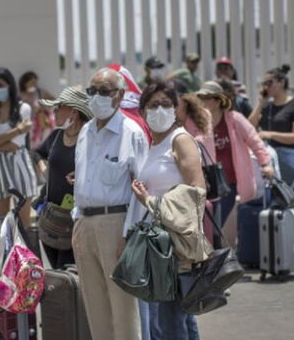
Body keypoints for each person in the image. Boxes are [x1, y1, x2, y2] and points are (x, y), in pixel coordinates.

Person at [71, 68, 147, 340]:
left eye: (105, 91)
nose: (97, 97)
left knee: (123, 306)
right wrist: (76, 218)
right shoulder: (85, 131)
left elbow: (141, 190)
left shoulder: (131, 133)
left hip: (117, 225)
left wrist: (129, 235)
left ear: (120, 95)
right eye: (92, 91)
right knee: (94, 303)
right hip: (85, 224)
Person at [127, 81, 205, 340]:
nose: (159, 110)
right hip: (157, 245)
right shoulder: (153, 145)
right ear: (143, 110)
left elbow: (197, 191)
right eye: (153, 105)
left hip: (175, 244)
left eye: (166, 104)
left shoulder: (180, 140)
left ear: (176, 109)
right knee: (177, 317)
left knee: (171, 321)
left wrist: (149, 200)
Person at [197, 81, 273, 247]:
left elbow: (255, 141)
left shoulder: (234, 120)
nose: (202, 101)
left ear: (218, 101)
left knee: (216, 225)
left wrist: (265, 163)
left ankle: (216, 264)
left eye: (207, 97)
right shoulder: (198, 122)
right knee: (204, 225)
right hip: (205, 183)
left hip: (227, 184)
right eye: (200, 97)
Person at [35, 87, 92, 269]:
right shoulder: (57, 135)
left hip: (77, 220)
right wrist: (46, 171)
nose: (55, 111)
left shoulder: (90, 138)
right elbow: (37, 154)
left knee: (69, 272)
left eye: (59, 107)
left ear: (73, 112)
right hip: (52, 220)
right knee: (57, 271)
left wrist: (84, 176)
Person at [0, 67, 37, 229]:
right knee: (0, 223)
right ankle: (4, 254)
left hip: (19, 163)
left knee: (24, 223)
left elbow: (15, 145)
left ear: (10, 85)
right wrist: (18, 130)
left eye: (0, 85)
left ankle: (26, 253)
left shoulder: (23, 108)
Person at [249, 64, 294, 186]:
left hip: (285, 155)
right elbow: (250, 125)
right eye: (263, 84)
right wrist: (260, 104)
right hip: (266, 155)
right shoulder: (267, 106)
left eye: (269, 83)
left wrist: (269, 134)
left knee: (285, 194)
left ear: (281, 82)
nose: (266, 87)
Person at [18, 71, 56, 150]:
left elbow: (53, 100)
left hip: (40, 123)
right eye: (32, 83)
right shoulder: (20, 95)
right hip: (26, 124)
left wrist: (43, 106)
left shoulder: (40, 92)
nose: (34, 85)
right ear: (25, 83)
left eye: (35, 82)